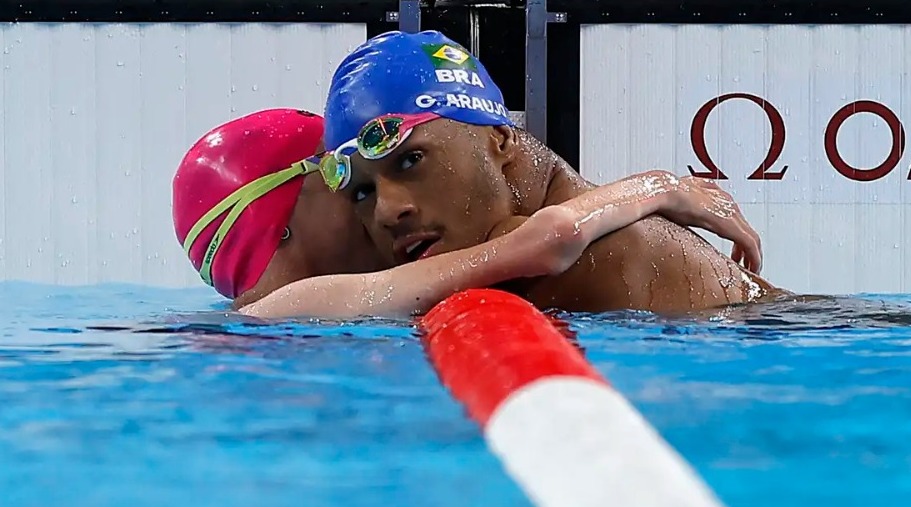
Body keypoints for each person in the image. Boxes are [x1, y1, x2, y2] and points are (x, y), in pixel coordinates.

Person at [321, 30, 786, 315]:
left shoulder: (603, 254)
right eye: (361, 192)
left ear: (500, 140)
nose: (387, 211)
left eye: (410, 160)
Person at [171, 108, 764, 320]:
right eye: (350, 183)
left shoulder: (262, 327)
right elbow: (545, 241)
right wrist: (660, 188)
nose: (383, 209)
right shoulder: (297, 310)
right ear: (290, 216)